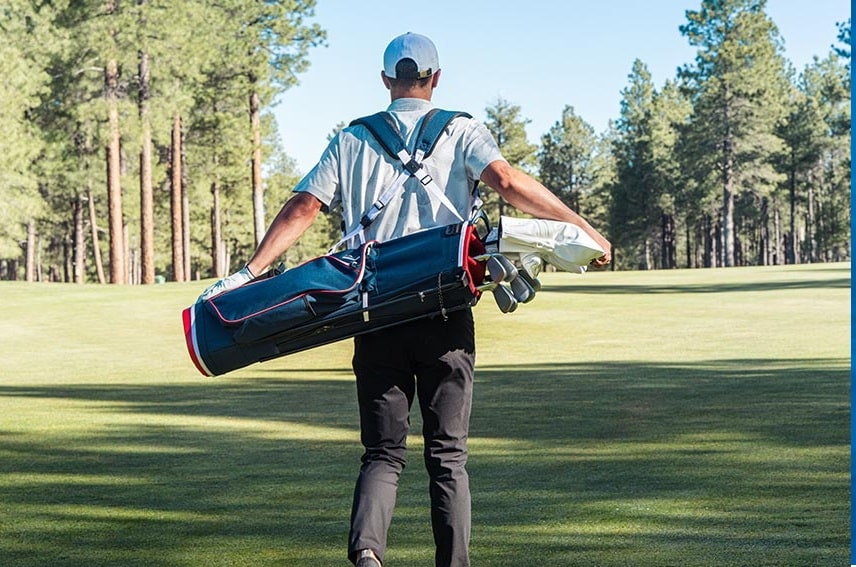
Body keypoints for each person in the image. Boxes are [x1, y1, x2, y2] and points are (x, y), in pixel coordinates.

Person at [200, 32, 611, 567]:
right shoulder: (461, 130)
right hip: (444, 312)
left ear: (386, 80)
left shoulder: (352, 138)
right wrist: (582, 228)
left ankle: (369, 553)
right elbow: (507, 183)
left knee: (382, 453)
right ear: (435, 79)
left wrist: (250, 273)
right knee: (447, 457)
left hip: (373, 312)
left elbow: (304, 207)